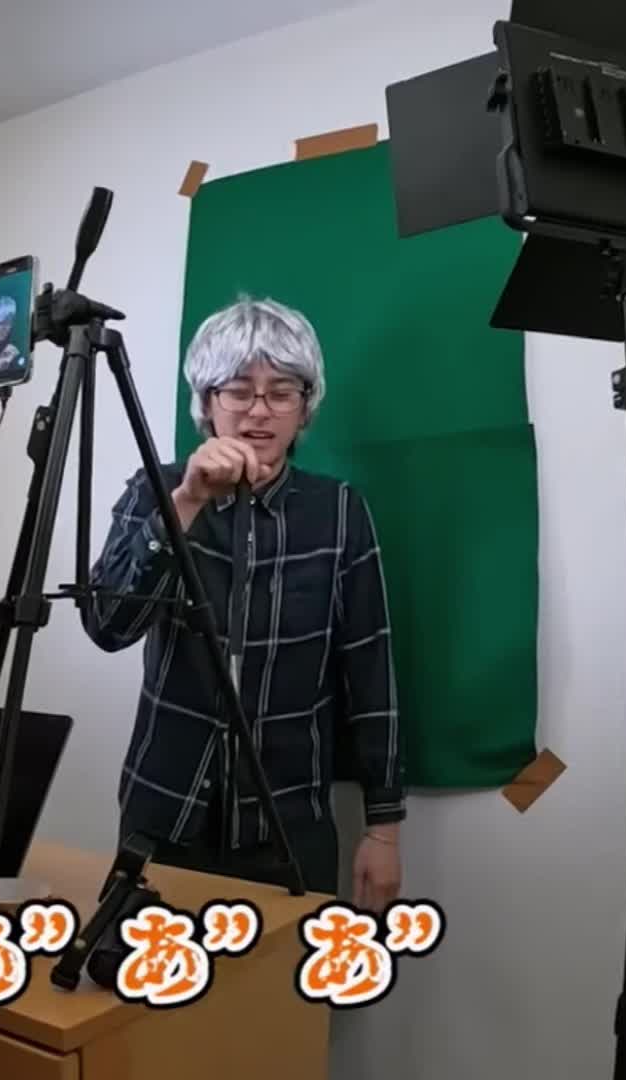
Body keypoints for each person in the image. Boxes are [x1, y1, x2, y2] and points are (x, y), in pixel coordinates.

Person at [82, 297, 405, 909]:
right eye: (237, 391)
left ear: (305, 407)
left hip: (288, 825)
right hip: (165, 814)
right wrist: (186, 502)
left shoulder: (339, 511)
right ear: (207, 404)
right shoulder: (157, 488)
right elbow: (107, 625)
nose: (259, 410)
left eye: (281, 393)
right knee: (149, 972)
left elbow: (371, 672)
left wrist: (382, 829)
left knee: (284, 975)